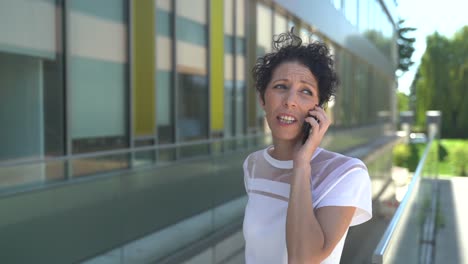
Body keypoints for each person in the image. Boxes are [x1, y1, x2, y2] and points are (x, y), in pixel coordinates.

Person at [242, 29, 372, 264]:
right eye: (281, 86)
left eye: (305, 91)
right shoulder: (253, 165)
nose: (290, 100)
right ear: (263, 99)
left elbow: (303, 259)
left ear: (318, 108)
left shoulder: (346, 173)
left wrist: (301, 164)